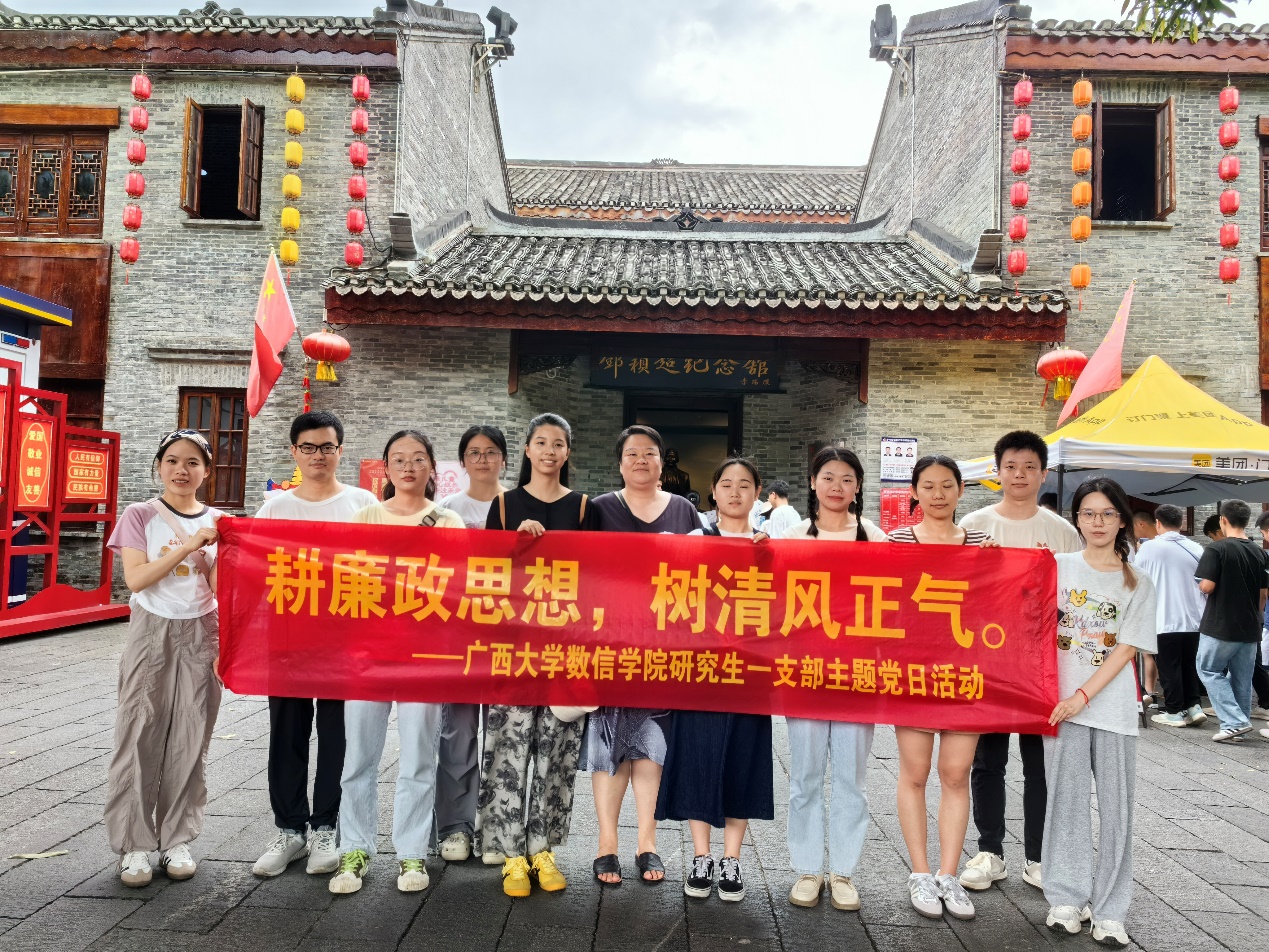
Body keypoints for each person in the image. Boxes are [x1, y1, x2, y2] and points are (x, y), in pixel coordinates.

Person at [330, 430, 466, 895]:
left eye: (418, 458)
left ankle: (412, 852)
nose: (409, 467)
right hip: (368, 654)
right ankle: (354, 848)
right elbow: (344, 582)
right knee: (358, 758)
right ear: (385, 468)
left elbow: (458, 589)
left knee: (419, 758)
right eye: (399, 459)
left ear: (432, 468)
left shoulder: (448, 521)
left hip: (423, 656)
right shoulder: (365, 516)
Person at [252, 411, 379, 879]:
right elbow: (252, 569)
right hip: (289, 640)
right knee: (286, 734)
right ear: (294, 452)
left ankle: (326, 827)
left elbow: (384, 567)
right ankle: (290, 830)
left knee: (337, 734)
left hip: (345, 640)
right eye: (308, 447)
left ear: (340, 451)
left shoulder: (363, 504)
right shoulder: (275, 509)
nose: (318, 455)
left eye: (327, 447)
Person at [958, 430, 1082, 895]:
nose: (1020, 475)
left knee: (1039, 764)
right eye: (1011, 466)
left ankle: (1038, 855)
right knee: (987, 760)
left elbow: (1076, 598)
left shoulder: (1061, 531)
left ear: (1043, 474)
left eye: (1030, 467)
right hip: (989, 661)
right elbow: (956, 591)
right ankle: (989, 850)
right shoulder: (974, 524)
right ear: (998, 471)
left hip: (1042, 665)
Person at [480, 412, 598, 897]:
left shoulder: (584, 507)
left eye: (558, 444)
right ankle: (510, 855)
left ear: (568, 452)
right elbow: (483, 573)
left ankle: (542, 849)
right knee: (506, 750)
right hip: (512, 648)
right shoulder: (504, 505)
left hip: (565, 648)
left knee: (557, 751)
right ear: (527, 449)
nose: (550, 451)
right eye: (541, 442)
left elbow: (599, 575)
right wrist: (516, 547)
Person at [104, 430, 222, 887]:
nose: (181, 470)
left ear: (206, 471)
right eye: (172, 460)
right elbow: (136, 579)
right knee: (139, 729)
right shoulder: (139, 515)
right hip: (151, 630)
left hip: (203, 630)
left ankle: (177, 839)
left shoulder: (219, 522)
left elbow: (224, 590)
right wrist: (190, 547)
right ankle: (133, 844)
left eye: (192, 462)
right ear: (159, 466)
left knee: (193, 734)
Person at [1044, 477, 1156, 947]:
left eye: (1107, 514)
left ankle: (1111, 909)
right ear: (1077, 519)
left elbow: (1126, 648)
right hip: (1058, 708)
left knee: (1116, 811)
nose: (1097, 522)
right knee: (1064, 805)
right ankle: (1066, 898)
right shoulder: (1056, 566)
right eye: (1088, 513)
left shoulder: (1138, 581)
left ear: (1122, 521)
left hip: (1110, 709)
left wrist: (1081, 696)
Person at [656, 457, 773, 903]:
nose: (735, 492)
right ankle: (701, 856)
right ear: (714, 491)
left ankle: (732, 859)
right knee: (698, 757)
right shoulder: (695, 540)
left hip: (751, 671)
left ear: (757, 492)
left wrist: (771, 557)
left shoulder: (770, 543)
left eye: (745, 484)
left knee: (743, 759)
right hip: (701, 669)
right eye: (727, 484)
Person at [586, 425, 698, 887]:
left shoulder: (684, 510)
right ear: (619, 463)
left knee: (653, 747)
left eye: (649, 453)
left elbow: (706, 569)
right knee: (610, 745)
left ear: (661, 462)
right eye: (632, 454)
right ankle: (606, 843)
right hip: (610, 643)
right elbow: (578, 567)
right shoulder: (599, 509)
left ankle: (647, 841)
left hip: (664, 646)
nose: (641, 461)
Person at [886, 456, 994, 921]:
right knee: (914, 773)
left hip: (966, 673)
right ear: (914, 491)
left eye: (947, 485)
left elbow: (999, 601)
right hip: (912, 672)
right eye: (928, 486)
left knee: (956, 773)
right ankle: (920, 872)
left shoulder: (983, 543)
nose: (937, 494)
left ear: (961, 490)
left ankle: (949, 875)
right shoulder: (896, 541)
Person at [780, 446, 885, 913]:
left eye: (846, 478)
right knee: (804, 776)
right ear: (812, 483)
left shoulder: (874, 538)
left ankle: (842, 871)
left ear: (858, 486)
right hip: (804, 671)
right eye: (827, 477)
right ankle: (807, 869)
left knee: (850, 778)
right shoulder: (792, 536)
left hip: (857, 674)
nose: (836, 486)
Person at [435, 424, 509, 863]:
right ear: (462, 461)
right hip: (459, 637)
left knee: (503, 734)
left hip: (508, 639)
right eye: (474, 452)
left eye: (491, 451)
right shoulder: (445, 511)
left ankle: (497, 826)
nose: (483, 460)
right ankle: (455, 827)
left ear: (504, 459)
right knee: (457, 733)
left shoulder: (519, 506)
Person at [1194, 499, 1269, 743]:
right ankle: (1238, 727)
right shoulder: (1259, 552)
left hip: (1221, 623)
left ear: (1223, 520)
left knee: (1208, 669)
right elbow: (1263, 594)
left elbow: (1207, 586)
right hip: (1251, 626)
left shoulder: (1216, 549)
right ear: (1247, 521)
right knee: (1241, 678)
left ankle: (1235, 722)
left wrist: (1200, 585)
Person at [1134, 505, 1207, 728]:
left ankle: (1175, 711)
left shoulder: (1148, 548)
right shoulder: (1196, 548)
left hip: (1163, 617)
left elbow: (1137, 579)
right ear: (1181, 523)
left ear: (1158, 522)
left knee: (1169, 666)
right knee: (1189, 665)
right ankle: (1194, 707)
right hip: (1194, 618)